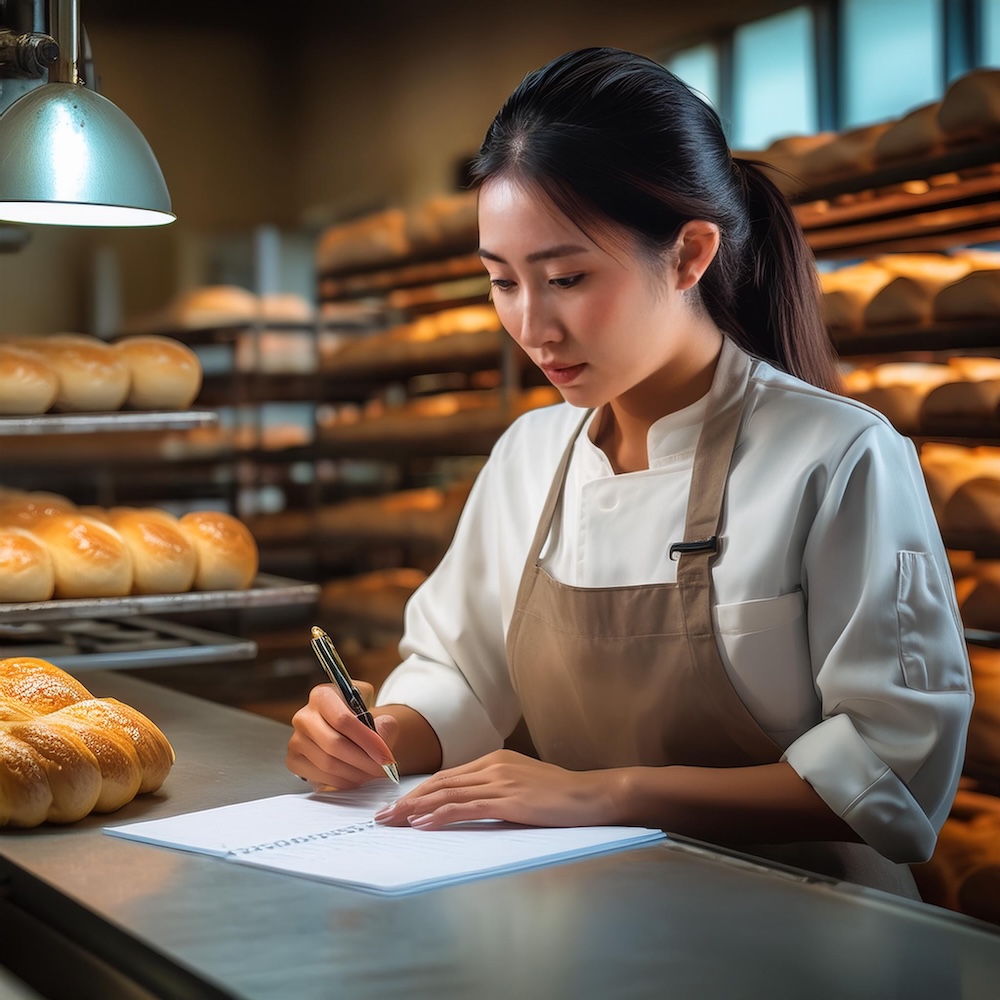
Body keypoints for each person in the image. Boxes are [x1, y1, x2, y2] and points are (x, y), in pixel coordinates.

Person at [287, 47, 973, 896]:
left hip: (807, 932)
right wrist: (378, 730)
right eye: (502, 282)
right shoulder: (530, 457)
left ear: (689, 255)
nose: (532, 326)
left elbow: (891, 770)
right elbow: (462, 672)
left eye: (567, 277)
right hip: (591, 920)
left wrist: (602, 794)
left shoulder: (835, 458)